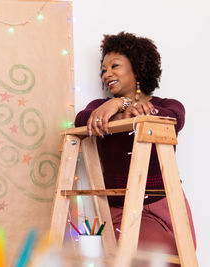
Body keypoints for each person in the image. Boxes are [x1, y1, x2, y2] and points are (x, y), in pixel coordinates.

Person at [74, 32, 196, 259]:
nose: (106, 74)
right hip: (123, 209)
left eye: (114, 66)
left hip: (168, 205)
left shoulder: (165, 105)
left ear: (137, 68)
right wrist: (119, 103)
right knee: (149, 256)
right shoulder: (99, 107)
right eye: (103, 70)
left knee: (182, 257)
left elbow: (174, 119)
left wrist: (128, 104)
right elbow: (82, 120)